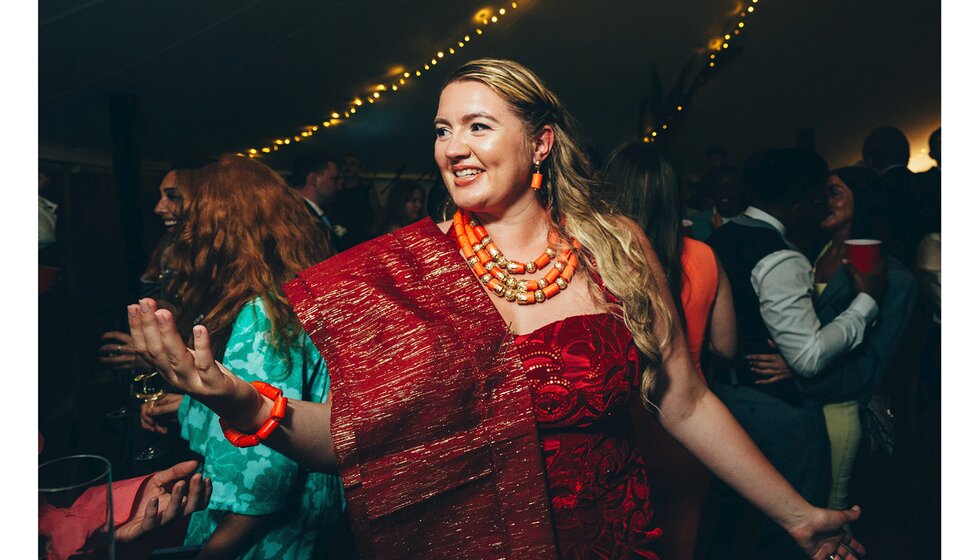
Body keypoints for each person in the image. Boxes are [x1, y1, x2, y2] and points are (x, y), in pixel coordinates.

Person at [127, 59, 864, 560]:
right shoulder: (403, 276)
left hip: (608, 540)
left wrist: (798, 515)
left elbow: (685, 399)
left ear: (540, 142)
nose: (453, 147)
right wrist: (240, 400)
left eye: (478, 125)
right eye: (443, 130)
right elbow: (349, 442)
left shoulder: (617, 247)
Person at [135, 155, 343, 559]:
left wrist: (207, 555)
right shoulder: (281, 293)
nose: (179, 230)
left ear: (222, 226)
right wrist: (188, 405)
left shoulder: (260, 314)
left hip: (263, 542)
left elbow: (260, 483)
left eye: (193, 219)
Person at [704, 148, 885, 559]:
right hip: (776, 412)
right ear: (801, 202)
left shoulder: (720, 237)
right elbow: (807, 356)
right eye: (819, 198)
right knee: (789, 534)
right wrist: (867, 303)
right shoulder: (779, 256)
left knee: (736, 526)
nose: (821, 208)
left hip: (726, 399)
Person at [749, 166, 918, 513]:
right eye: (820, 193)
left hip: (841, 412)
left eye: (834, 193)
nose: (822, 201)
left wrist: (801, 372)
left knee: (830, 514)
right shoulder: (810, 253)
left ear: (863, 202)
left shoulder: (896, 278)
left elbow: (872, 367)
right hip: (800, 412)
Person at [602, 141, 737, 560]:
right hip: (694, 432)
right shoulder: (704, 255)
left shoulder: (602, 262)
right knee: (682, 545)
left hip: (623, 426)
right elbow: (727, 346)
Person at [289, 151, 344, 253]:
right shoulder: (298, 214)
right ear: (314, 179)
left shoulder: (309, 211)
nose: (339, 186)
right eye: (334, 179)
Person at [688, 164, 749, 242]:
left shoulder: (753, 224)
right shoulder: (693, 224)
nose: (724, 192)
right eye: (718, 188)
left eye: (730, 188)